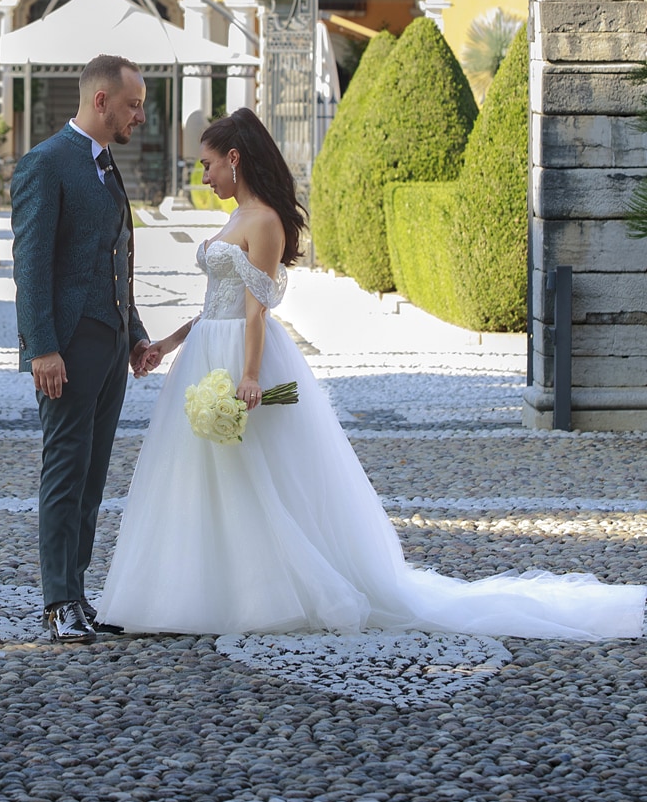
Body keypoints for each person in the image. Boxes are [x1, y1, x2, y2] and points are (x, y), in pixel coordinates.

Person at [96, 106, 646, 641]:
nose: (204, 175)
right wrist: (167, 343)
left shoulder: (263, 222)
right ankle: (201, 589)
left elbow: (255, 310)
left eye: (208, 164)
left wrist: (251, 374)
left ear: (234, 158)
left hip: (240, 357)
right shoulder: (235, 217)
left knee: (254, 476)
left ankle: (269, 593)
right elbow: (218, 302)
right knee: (203, 477)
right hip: (206, 353)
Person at [11, 53, 157, 644]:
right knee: (66, 470)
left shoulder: (104, 164)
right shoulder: (45, 164)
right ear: (101, 100)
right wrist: (42, 348)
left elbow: (113, 258)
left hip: (111, 341)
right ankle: (56, 603)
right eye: (132, 105)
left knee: (93, 478)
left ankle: (77, 591)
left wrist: (135, 332)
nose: (139, 116)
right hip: (69, 346)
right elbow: (30, 266)